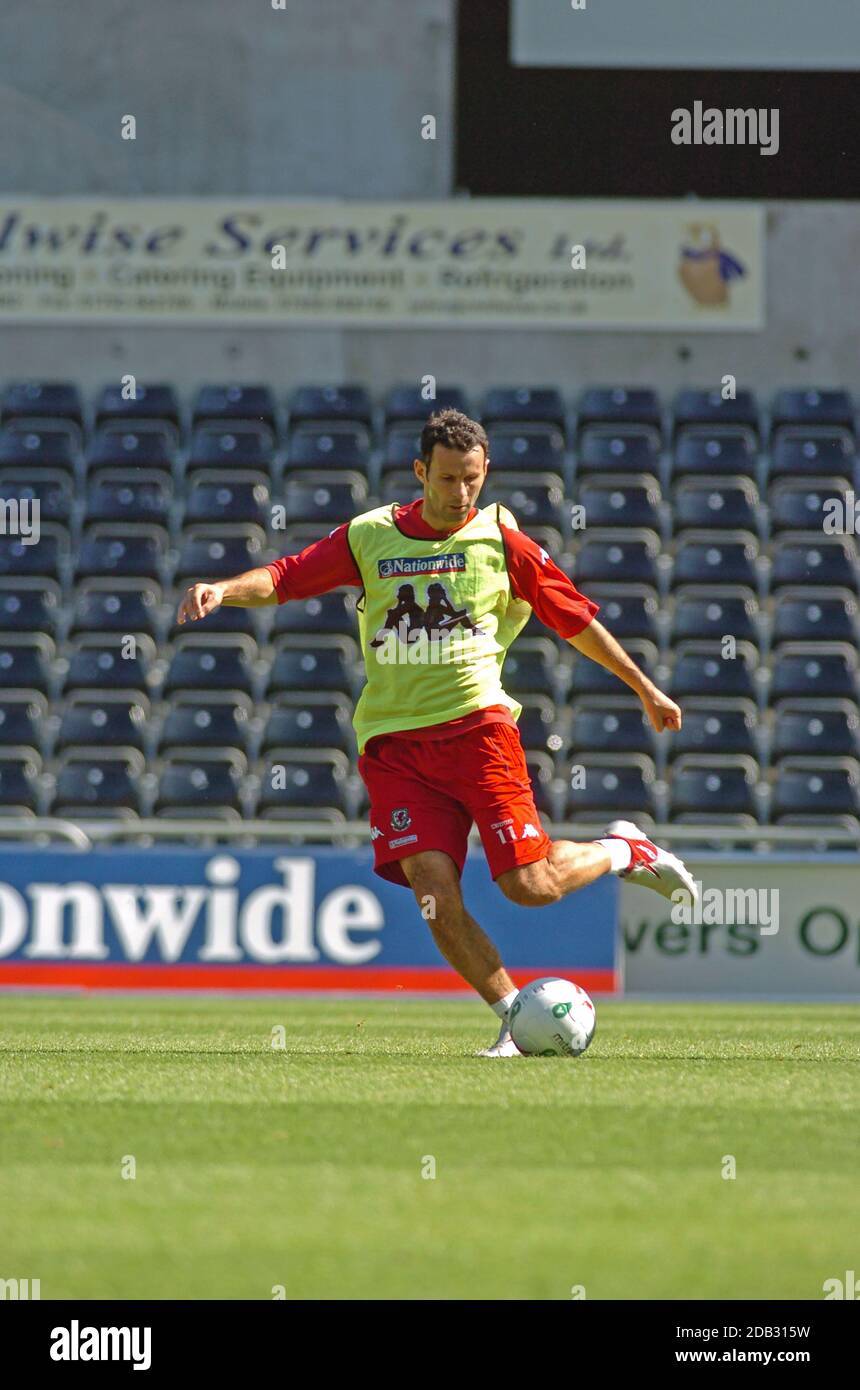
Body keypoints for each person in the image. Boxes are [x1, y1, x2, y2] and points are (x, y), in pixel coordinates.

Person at [177, 408, 698, 1056]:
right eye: (448, 479)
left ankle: (625, 851)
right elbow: (285, 577)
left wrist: (642, 687)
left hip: (478, 732)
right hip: (394, 748)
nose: (460, 495)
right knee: (433, 891)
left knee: (528, 887)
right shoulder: (370, 537)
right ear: (421, 472)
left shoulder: (501, 539)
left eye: (472, 480)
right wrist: (222, 591)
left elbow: (572, 618)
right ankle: (513, 1017)